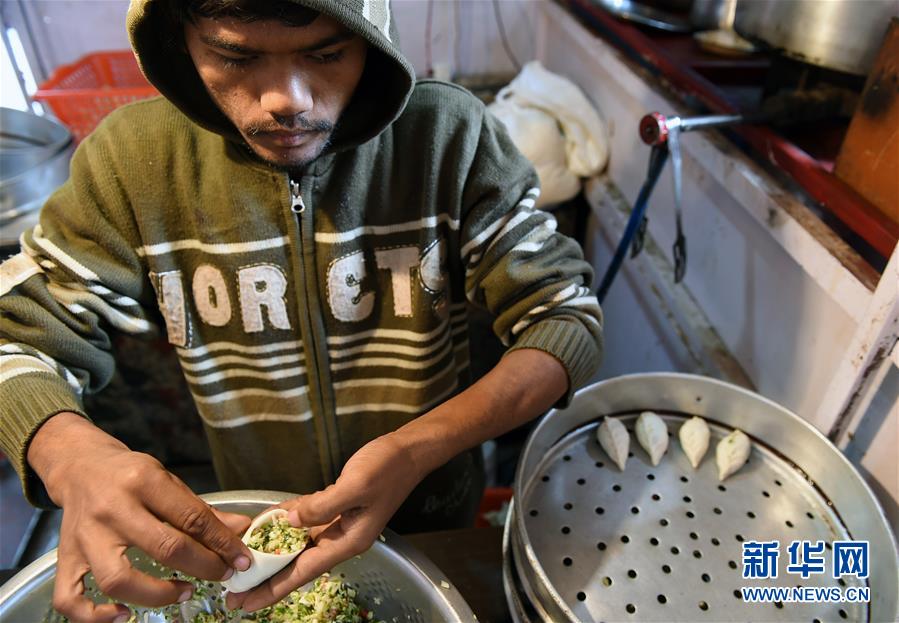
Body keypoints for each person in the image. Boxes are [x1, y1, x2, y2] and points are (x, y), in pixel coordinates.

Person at [0, 0, 603, 621]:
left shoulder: (448, 138)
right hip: (255, 523)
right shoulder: (131, 163)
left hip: (430, 516)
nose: (285, 99)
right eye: (235, 56)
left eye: (326, 54)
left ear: (372, 39)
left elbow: (564, 319)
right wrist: (70, 456)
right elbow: (16, 339)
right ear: (180, 39)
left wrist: (416, 450)